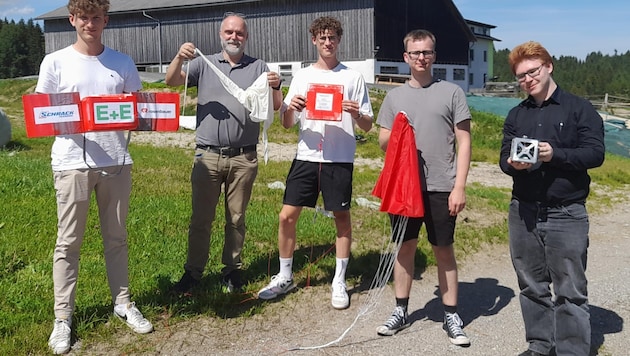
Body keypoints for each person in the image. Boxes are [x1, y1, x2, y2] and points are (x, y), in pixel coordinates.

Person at [36, 0, 153, 354]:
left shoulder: (122, 62)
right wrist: (79, 117)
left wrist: (145, 114)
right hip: (72, 163)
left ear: (106, 20)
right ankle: (63, 318)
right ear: (72, 19)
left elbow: (138, 108)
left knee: (116, 238)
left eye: (96, 17)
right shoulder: (54, 61)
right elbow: (44, 112)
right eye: (83, 17)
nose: (90, 23)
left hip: (117, 162)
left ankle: (123, 302)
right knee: (68, 242)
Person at [256, 16, 373, 309]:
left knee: (341, 219)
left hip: (339, 158)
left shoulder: (353, 77)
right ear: (314, 41)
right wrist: (289, 107)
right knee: (286, 216)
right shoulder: (303, 76)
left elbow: (368, 126)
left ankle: (339, 280)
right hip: (306, 156)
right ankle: (285, 276)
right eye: (322, 38)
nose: (327, 42)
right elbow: (285, 123)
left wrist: (357, 113)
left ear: (339, 40)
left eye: (332, 37)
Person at [165, 13, 283, 295]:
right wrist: (179, 57)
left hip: (244, 157)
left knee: (236, 218)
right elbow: (171, 81)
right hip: (207, 156)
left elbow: (276, 106)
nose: (234, 37)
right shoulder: (203, 64)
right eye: (229, 32)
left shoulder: (259, 67)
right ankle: (193, 273)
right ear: (221, 35)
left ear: (246, 37)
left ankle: (232, 270)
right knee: (201, 219)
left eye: (239, 33)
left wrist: (276, 86)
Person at [500, 41, 605, 356]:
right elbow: (504, 157)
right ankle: (540, 345)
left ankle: (572, 351)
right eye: (521, 76)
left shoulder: (578, 108)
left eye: (532, 72)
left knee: (570, 289)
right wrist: (512, 164)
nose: (528, 80)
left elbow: (595, 153)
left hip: (566, 212)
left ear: (548, 66)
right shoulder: (517, 114)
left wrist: (553, 154)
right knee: (531, 284)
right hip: (524, 211)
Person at [374, 29, 472, 346]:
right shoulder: (394, 97)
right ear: (405, 57)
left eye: (426, 52)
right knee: (405, 249)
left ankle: (452, 314)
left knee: (443, 249)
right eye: (415, 53)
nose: (421, 58)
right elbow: (382, 142)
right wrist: (400, 129)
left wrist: (460, 187)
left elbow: (464, 141)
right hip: (404, 187)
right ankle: (401, 310)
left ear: (434, 55)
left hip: (441, 186)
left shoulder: (452, 92)